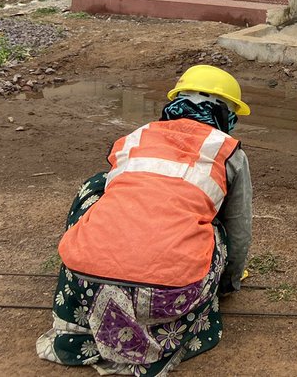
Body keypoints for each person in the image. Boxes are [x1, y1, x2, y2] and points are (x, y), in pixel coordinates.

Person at [37, 65, 253, 376]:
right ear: (226, 114)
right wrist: (229, 282)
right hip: (167, 296)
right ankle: (167, 327)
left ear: (177, 102)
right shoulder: (229, 151)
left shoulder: (133, 138)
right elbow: (239, 228)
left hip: (84, 283)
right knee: (215, 226)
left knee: (97, 189)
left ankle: (80, 314)